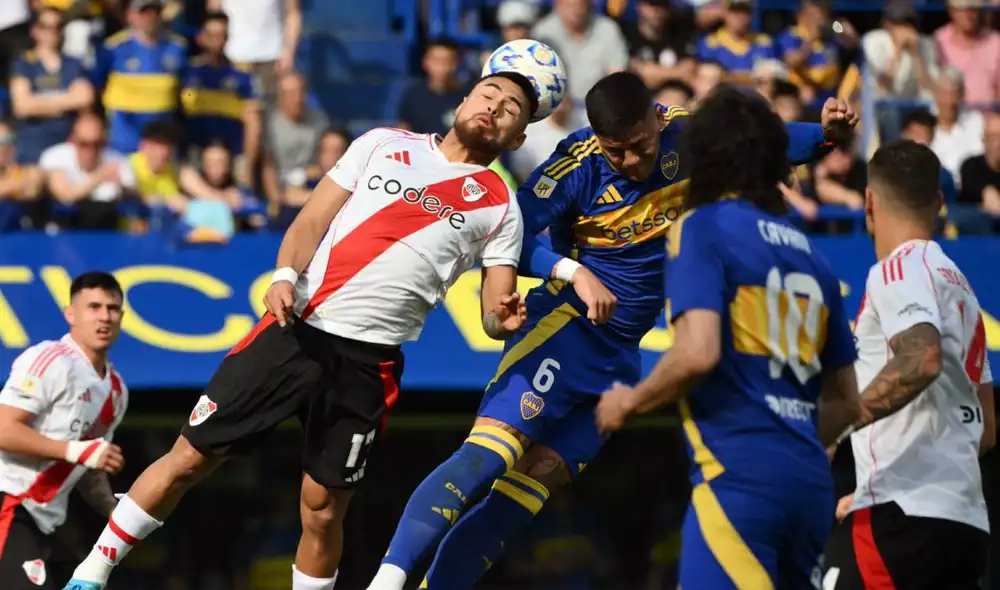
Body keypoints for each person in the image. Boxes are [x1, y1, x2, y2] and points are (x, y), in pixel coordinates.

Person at [366, 71, 859, 590]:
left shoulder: (688, 134)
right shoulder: (574, 164)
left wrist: (826, 133)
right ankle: (387, 581)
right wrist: (575, 272)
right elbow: (506, 232)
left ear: (656, 118)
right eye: (615, 151)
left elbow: (768, 142)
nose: (629, 161)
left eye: (639, 147)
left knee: (521, 498)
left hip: (622, 355)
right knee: (487, 457)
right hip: (564, 328)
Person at [64, 70, 542, 590]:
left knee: (320, 510)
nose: (494, 107)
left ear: (517, 137)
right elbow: (310, 220)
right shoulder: (382, 143)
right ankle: (91, 574)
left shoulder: (500, 204)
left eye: (511, 108)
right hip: (296, 330)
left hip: (369, 364)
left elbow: (496, 308)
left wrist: (503, 319)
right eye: (489, 94)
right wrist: (285, 276)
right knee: (189, 458)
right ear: (465, 97)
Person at [593, 85, 864, 589]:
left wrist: (629, 402)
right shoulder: (816, 259)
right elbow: (848, 404)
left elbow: (697, 353)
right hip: (809, 483)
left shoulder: (703, 228)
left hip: (740, 478)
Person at [823, 139, 995, 590]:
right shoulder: (963, 290)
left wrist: (833, 426)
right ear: (940, 204)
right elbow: (987, 427)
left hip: (901, 519)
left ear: (869, 201)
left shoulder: (896, 270)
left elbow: (921, 358)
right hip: (964, 522)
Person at [0, 272, 129, 590]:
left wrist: (118, 514)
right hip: (10, 504)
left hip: (46, 523)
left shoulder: (116, 391)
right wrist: (76, 450)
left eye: (112, 309)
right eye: (93, 306)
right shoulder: (49, 360)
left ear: (122, 317)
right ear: (70, 313)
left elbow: (89, 469)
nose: (104, 316)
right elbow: (3, 429)